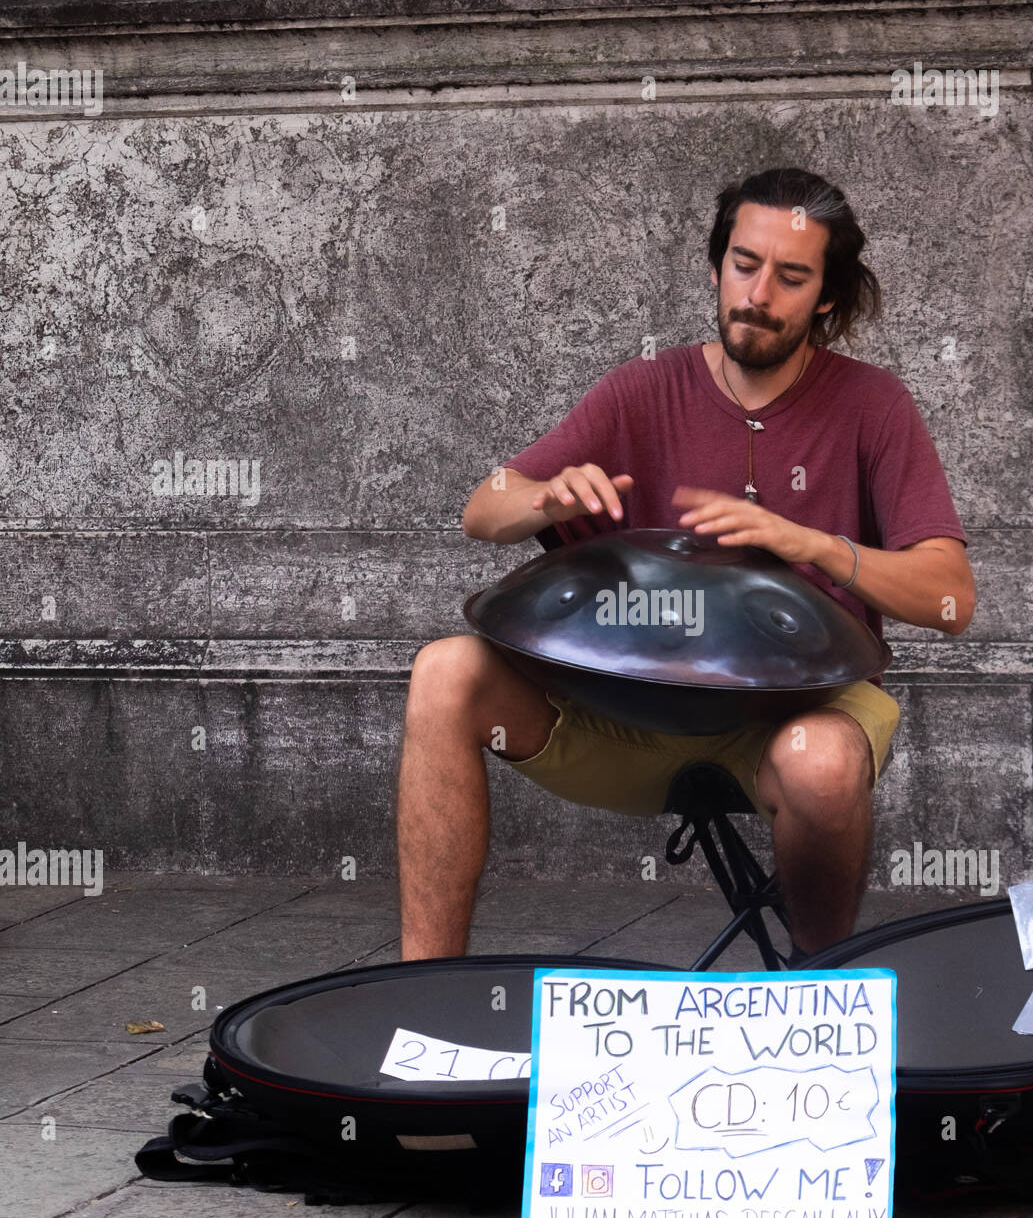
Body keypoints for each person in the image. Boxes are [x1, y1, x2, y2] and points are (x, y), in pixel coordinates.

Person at [397, 167, 974, 962]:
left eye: (791, 276)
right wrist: (547, 499)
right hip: (631, 714)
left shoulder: (874, 406)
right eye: (744, 264)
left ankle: (818, 1009)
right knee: (443, 673)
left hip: (793, 722)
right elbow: (482, 508)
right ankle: (423, 997)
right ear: (716, 267)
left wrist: (811, 546)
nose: (759, 293)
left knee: (822, 762)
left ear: (828, 299)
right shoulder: (643, 388)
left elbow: (951, 598)